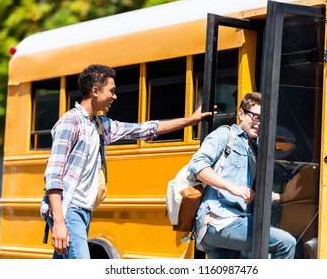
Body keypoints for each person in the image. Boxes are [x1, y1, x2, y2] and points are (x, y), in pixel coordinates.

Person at [40, 64, 212, 259]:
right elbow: (54, 176)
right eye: (111, 91)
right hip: (68, 209)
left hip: (83, 211)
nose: (115, 96)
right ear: (95, 91)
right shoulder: (70, 123)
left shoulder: (100, 125)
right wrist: (60, 221)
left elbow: (144, 129)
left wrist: (190, 121)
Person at [188, 92, 297, 259]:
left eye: (265, 119)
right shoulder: (225, 134)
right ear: (241, 113)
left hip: (233, 221)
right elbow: (198, 165)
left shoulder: (254, 149)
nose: (260, 124)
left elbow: (253, 193)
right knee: (286, 243)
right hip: (219, 219)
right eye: (256, 117)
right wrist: (234, 188)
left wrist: (283, 197)